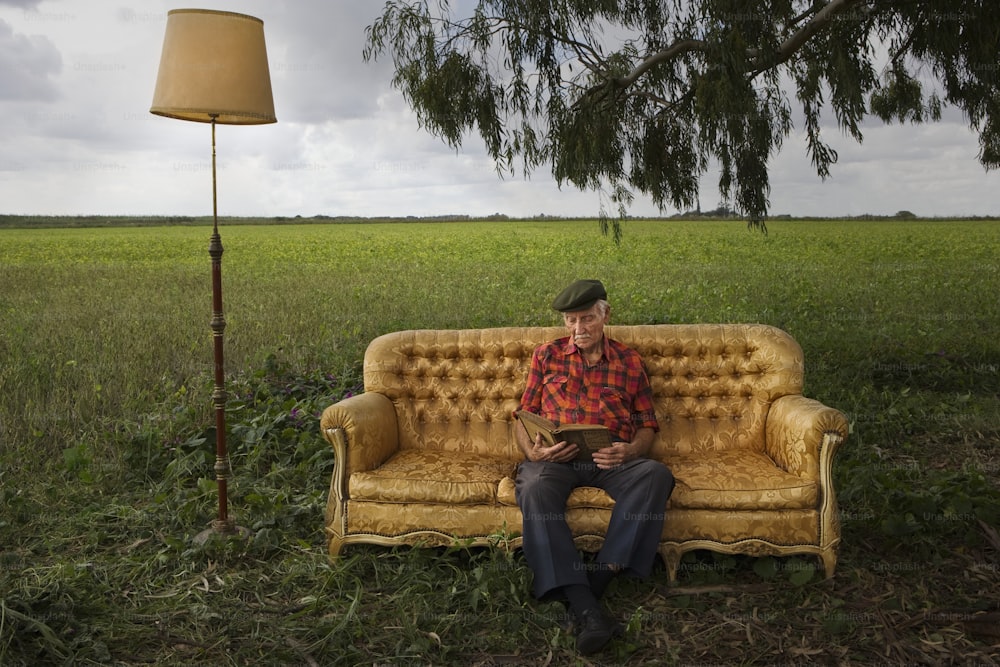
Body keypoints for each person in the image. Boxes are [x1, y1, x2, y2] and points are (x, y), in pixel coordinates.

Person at [514, 279, 675, 655]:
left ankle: (591, 589)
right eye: (571, 321)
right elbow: (522, 416)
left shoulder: (629, 361)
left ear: (605, 315)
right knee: (534, 487)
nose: (578, 330)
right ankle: (588, 606)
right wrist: (533, 452)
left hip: (609, 461)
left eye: (587, 319)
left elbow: (647, 423)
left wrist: (630, 451)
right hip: (556, 459)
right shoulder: (546, 356)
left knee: (657, 475)